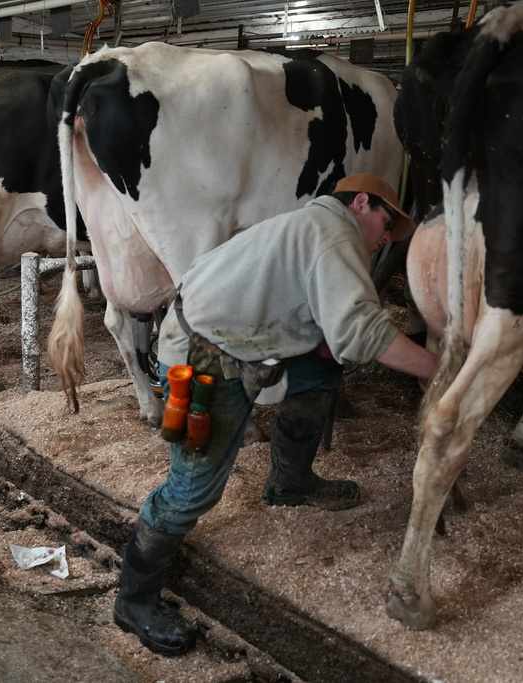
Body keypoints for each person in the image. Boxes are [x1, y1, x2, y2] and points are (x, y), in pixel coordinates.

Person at [113, 173, 439, 656]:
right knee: (193, 489)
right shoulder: (334, 235)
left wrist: (333, 342)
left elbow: (333, 336)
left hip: (221, 336)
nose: (387, 237)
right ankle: (133, 600)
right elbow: (361, 333)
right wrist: (445, 369)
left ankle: (290, 481)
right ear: (361, 203)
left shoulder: (313, 228)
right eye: (386, 222)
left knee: (321, 365)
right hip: (203, 357)